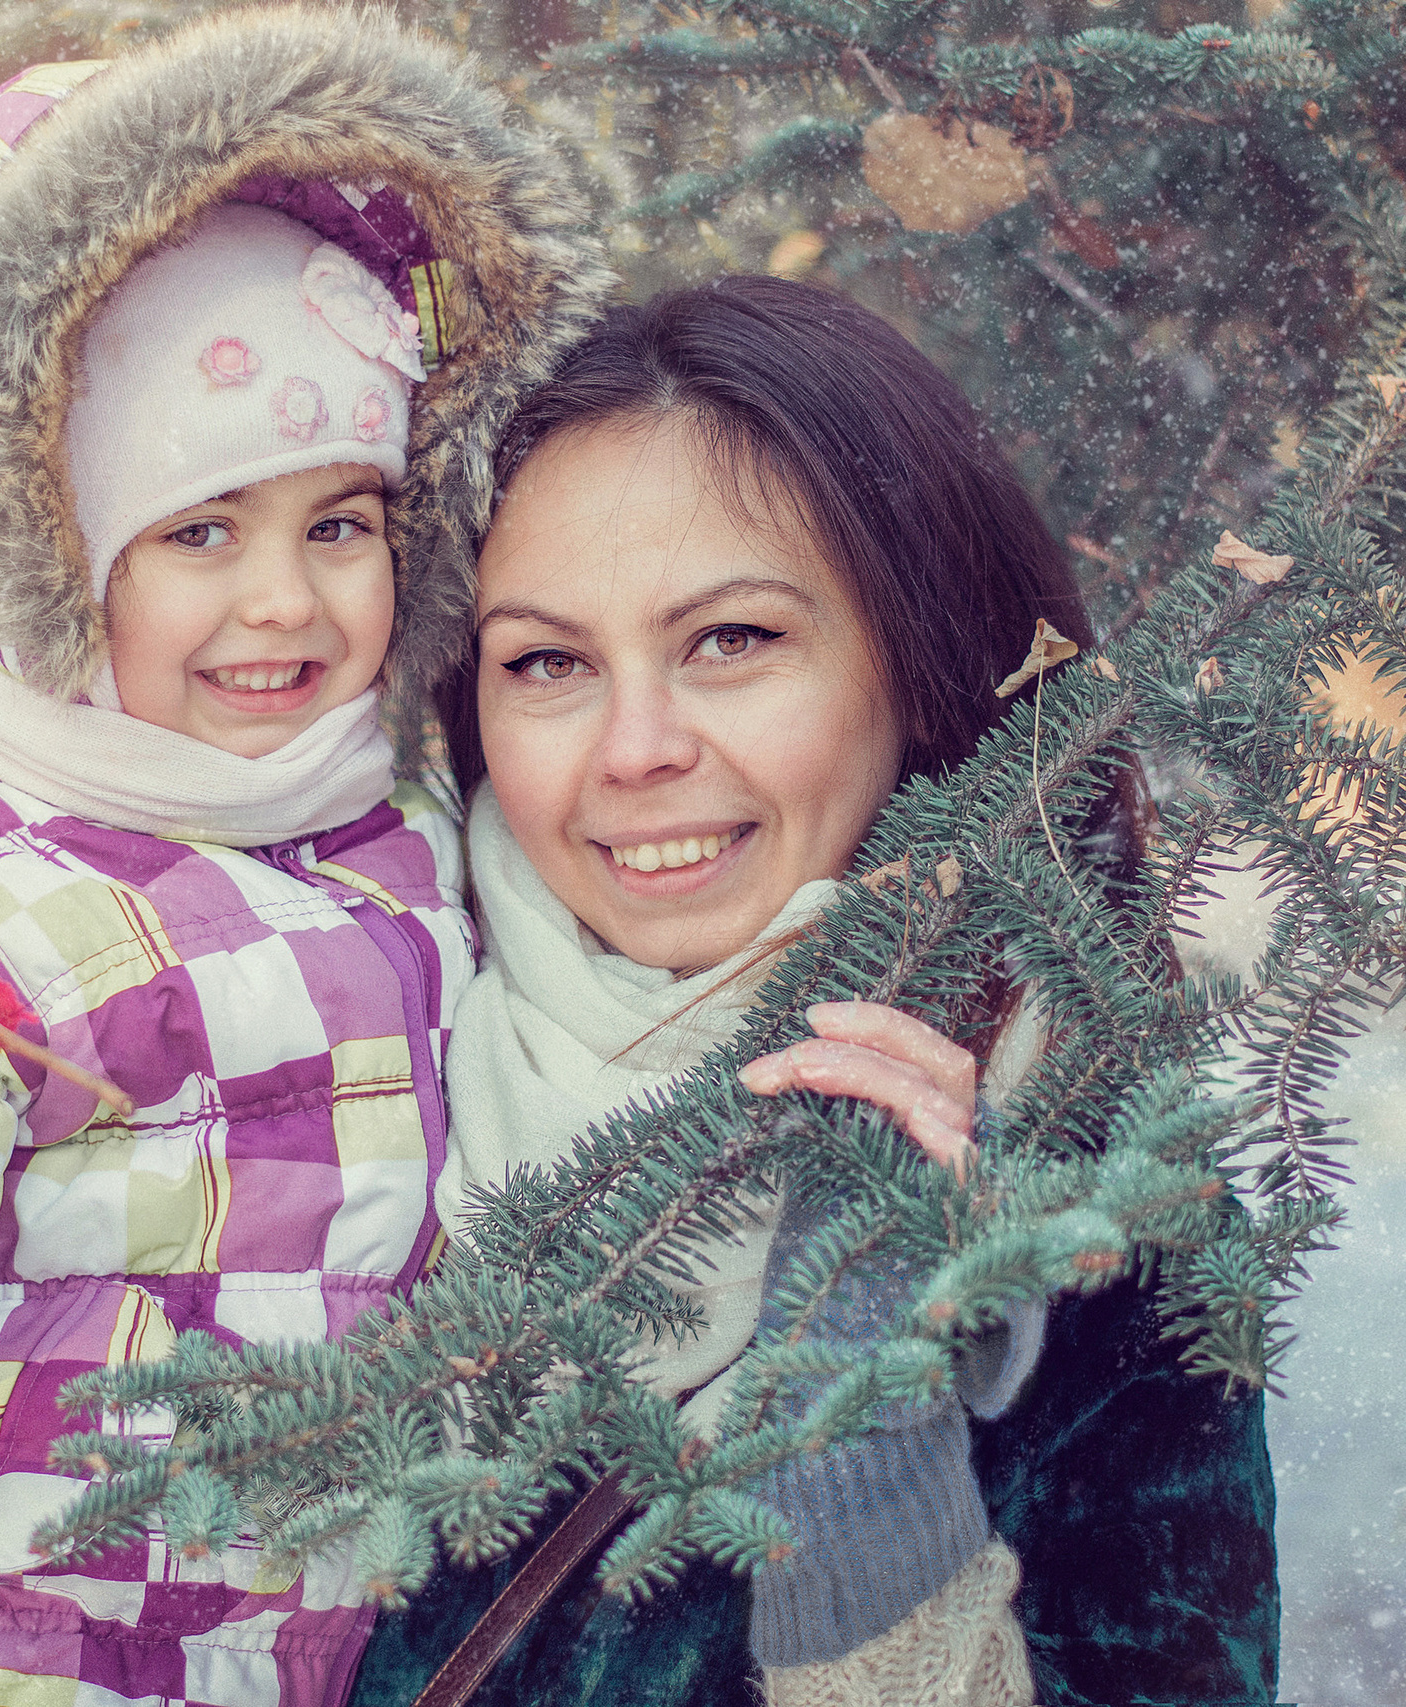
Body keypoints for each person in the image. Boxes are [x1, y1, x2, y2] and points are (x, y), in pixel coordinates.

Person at [0, 11, 606, 1704]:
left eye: (341, 522)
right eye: (200, 533)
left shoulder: (394, 815)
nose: (285, 602)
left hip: (289, 1647)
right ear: (49, 544)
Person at [347, 277, 1280, 1707]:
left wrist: (866, 1459)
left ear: (917, 659)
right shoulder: (346, 1062)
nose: (636, 747)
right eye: (547, 662)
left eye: (732, 640)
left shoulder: (1091, 1208)